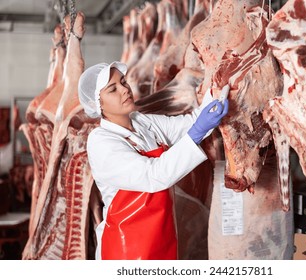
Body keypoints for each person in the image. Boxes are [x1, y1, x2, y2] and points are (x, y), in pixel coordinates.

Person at [77, 61, 229, 260]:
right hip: (125, 247)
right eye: (113, 89)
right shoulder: (101, 141)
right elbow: (154, 176)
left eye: (123, 82)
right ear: (98, 104)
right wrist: (198, 130)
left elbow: (192, 123)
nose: (124, 90)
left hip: (161, 236)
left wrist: (217, 87)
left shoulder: (142, 122)